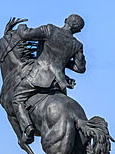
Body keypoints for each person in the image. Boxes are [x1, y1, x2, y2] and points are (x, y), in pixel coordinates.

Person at [13, 14, 86, 144]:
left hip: (39, 77)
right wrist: (63, 60)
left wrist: (21, 26)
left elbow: (24, 34)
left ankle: (28, 128)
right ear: (78, 30)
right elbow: (80, 68)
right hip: (58, 83)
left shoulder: (50, 30)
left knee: (17, 99)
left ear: (65, 20)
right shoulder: (77, 45)